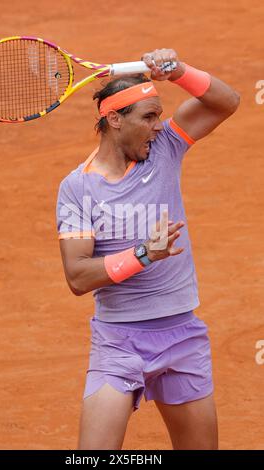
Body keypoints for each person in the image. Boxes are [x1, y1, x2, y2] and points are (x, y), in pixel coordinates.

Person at [56, 48, 240, 450]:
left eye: (159, 115)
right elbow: (78, 276)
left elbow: (227, 102)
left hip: (181, 335)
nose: (159, 126)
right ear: (115, 119)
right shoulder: (78, 189)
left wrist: (178, 70)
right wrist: (144, 254)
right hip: (118, 342)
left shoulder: (166, 149)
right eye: (148, 117)